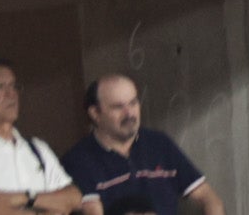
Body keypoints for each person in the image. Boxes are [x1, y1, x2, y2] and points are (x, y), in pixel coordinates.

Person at [59, 77, 217, 215]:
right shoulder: (77, 160)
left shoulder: (159, 143)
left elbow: (208, 197)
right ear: (95, 113)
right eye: (118, 107)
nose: (129, 113)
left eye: (133, 103)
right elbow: (91, 210)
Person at [0, 65, 97, 215]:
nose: (11, 94)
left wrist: (25, 198)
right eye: (0, 87)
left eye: (14, 86)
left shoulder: (37, 148)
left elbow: (73, 198)